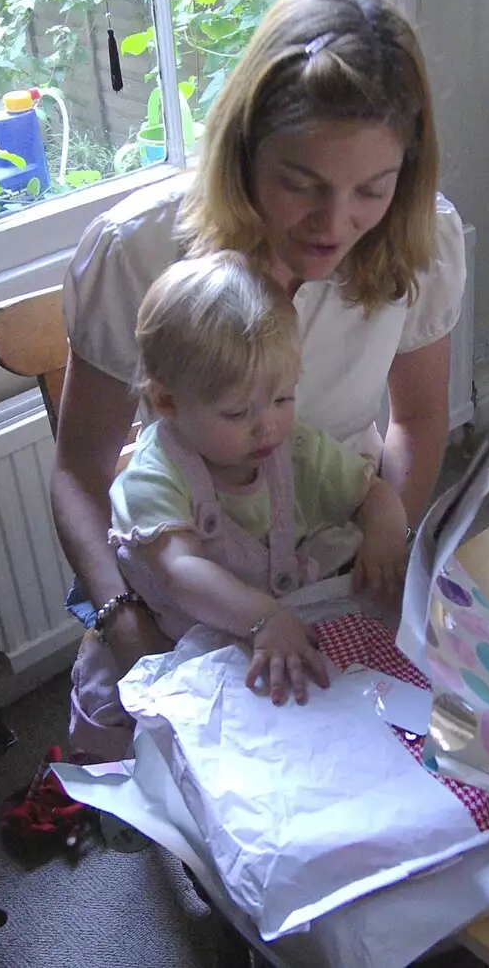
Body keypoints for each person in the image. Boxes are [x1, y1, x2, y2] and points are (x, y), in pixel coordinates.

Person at [52, 0, 465, 759]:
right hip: (193, 566)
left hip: (333, 540)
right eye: (302, 184)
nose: (335, 223)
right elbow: (79, 470)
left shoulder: (423, 241)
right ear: (244, 149)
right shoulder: (136, 250)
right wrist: (120, 619)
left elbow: (419, 422)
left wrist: (381, 550)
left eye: (372, 190)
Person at [103, 250, 408, 728]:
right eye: (237, 412)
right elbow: (181, 570)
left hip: (270, 638)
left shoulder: (295, 447)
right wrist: (264, 619)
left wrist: (385, 535)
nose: (267, 427)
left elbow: (373, 495)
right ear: (166, 401)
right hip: (172, 650)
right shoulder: (155, 475)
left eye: (283, 398)